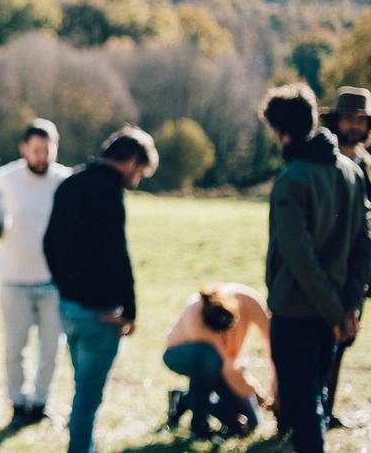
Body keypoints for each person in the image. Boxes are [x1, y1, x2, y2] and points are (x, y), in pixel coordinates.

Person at [259, 83, 370, 453]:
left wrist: (338, 309)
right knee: (316, 402)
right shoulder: (351, 173)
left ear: (280, 130)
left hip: (298, 313)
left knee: (303, 411)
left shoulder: (292, 178)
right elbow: (362, 248)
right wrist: (348, 306)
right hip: (334, 313)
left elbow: (298, 257)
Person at [44, 125, 158, 453]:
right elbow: (116, 255)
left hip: (68, 308)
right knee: (87, 399)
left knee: (83, 389)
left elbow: (49, 243)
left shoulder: (70, 183)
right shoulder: (109, 192)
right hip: (101, 314)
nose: (137, 180)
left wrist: (63, 289)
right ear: (131, 161)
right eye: (140, 172)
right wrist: (130, 309)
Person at [0, 118, 72, 428]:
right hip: (14, 280)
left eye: (47, 150)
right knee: (15, 347)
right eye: (36, 150)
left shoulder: (65, 181)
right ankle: (18, 403)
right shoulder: (4, 180)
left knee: (51, 349)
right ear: (25, 148)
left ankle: (40, 403)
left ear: (56, 148)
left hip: (54, 282)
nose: (42, 156)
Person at [318, 85, 371, 429]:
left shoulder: (366, 165)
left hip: (357, 266)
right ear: (337, 122)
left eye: (360, 120)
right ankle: (310, 410)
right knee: (319, 339)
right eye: (349, 119)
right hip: (325, 264)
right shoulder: (323, 162)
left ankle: (328, 407)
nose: (354, 126)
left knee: (345, 338)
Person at [163, 283, 272, 440]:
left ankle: (184, 399)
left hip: (221, 365)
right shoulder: (197, 312)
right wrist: (258, 393)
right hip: (181, 355)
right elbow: (226, 367)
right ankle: (199, 424)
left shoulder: (248, 300)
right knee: (208, 360)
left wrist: (276, 389)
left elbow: (272, 341)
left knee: (253, 421)